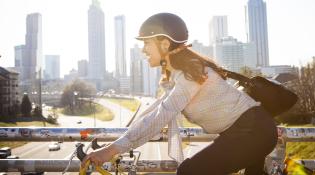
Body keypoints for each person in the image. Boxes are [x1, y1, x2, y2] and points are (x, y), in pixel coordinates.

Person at [81, 12, 277, 175]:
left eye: (146, 43)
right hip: (245, 132)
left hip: (253, 132)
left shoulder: (190, 76)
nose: (143, 50)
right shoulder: (180, 75)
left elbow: (159, 117)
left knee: (189, 172)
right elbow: (153, 112)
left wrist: (111, 150)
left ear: (165, 44)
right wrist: (115, 146)